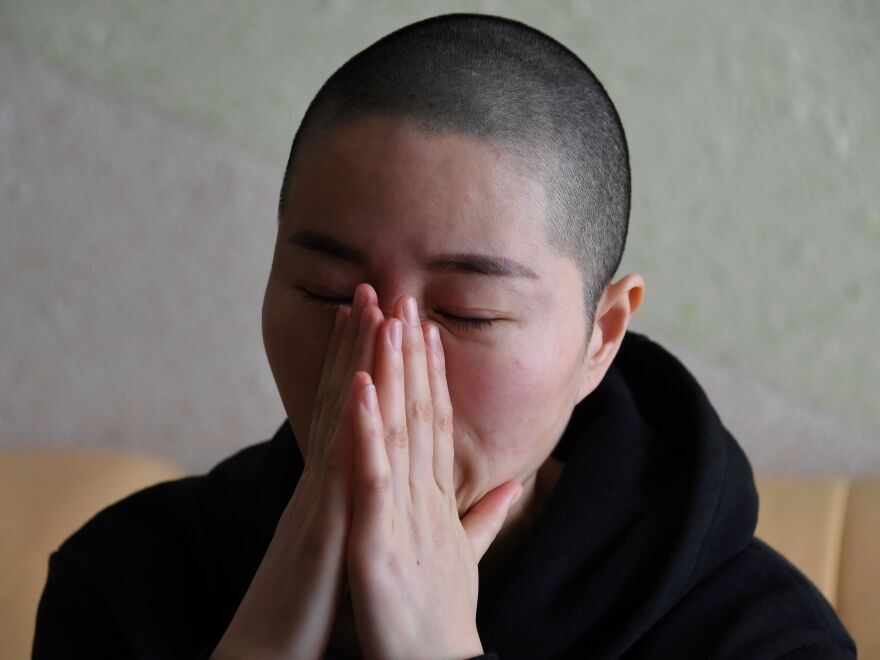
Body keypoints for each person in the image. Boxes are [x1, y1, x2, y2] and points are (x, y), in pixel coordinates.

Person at [33, 12, 856, 660]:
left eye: (468, 314)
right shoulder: (123, 582)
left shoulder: (762, 636)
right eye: (328, 293)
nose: (384, 366)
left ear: (601, 337)